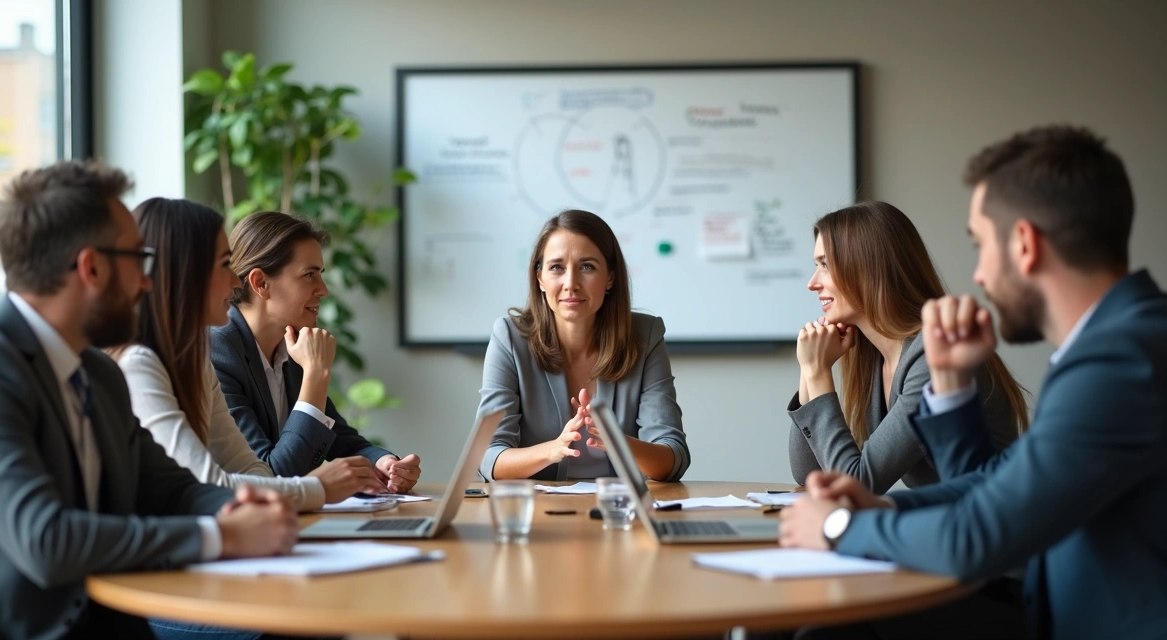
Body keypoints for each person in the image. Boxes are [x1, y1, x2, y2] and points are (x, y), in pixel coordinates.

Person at [779, 125, 1167, 638]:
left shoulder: (1121, 363)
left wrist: (837, 526)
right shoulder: (1118, 344)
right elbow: (994, 481)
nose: (978, 275)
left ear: (1024, 245)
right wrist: (949, 389)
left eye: (981, 245)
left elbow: (977, 535)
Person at [0, 160, 296, 638]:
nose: (149, 282)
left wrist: (240, 507)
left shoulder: (98, 373)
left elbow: (172, 488)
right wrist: (221, 536)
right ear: (92, 267)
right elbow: (47, 540)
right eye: (139, 260)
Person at [113, 198, 388, 513]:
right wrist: (318, 488)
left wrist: (382, 462)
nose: (234, 281)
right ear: (186, 274)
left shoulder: (197, 361)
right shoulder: (144, 364)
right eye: (224, 264)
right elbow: (207, 483)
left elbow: (254, 471)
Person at [789, 201, 1028, 493]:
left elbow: (855, 485)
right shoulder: (875, 359)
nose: (812, 283)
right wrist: (809, 369)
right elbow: (808, 473)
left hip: (992, 530)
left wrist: (818, 373)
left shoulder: (932, 357)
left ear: (868, 269)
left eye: (825, 265)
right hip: (948, 525)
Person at [211, 211, 421, 493]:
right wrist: (316, 373)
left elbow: (337, 438)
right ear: (260, 283)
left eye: (320, 275)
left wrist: (383, 463)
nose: (323, 290)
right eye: (309, 275)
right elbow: (274, 477)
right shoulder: (218, 352)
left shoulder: (292, 344)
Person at [476, 209, 690, 481]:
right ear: (540, 278)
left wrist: (619, 442)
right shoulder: (509, 337)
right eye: (556, 268)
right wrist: (552, 450)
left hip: (620, 513)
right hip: (540, 516)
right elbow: (488, 457)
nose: (571, 284)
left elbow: (673, 458)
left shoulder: (645, 335)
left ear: (610, 277)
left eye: (587, 266)